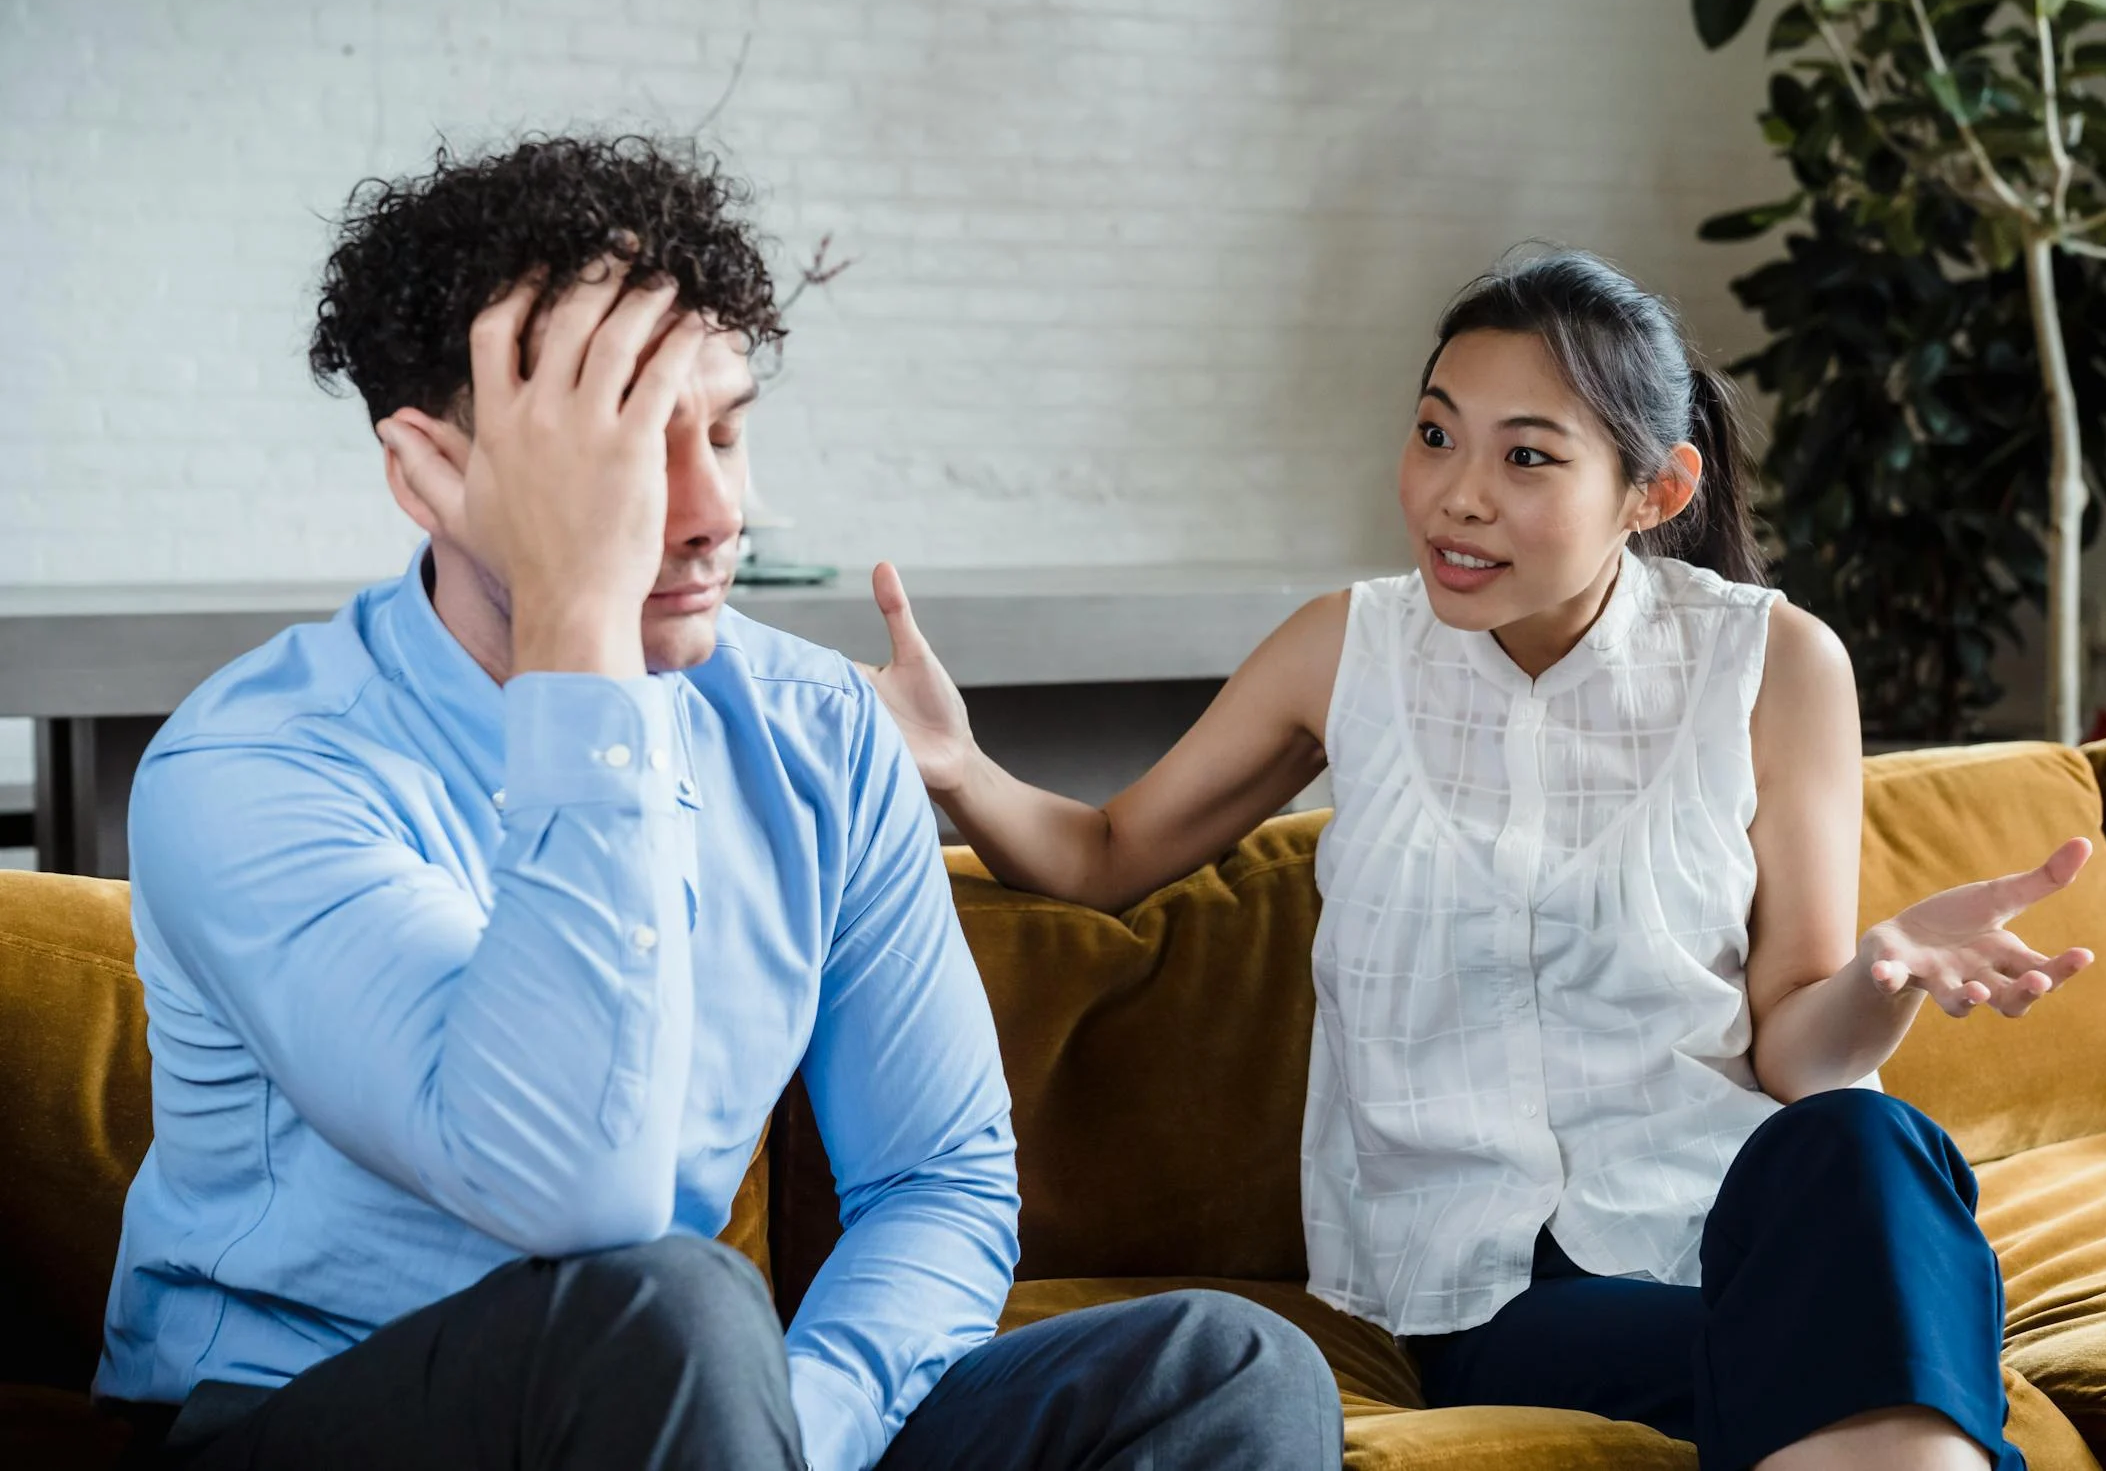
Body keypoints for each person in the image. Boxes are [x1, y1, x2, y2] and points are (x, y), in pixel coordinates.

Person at [96, 135, 1344, 1471]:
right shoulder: (254, 770)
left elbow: (937, 1181)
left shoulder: (815, 737)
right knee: (669, 1306)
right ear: (427, 475)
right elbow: (574, 1196)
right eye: (627, 450)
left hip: (701, 1426)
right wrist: (579, 629)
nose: (709, 512)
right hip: (300, 1418)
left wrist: (789, 1429)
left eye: (729, 431)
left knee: (1226, 1373)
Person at [857, 248, 2097, 1471]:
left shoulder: (1773, 663)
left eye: (1527, 458)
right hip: (1486, 1293)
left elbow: (1792, 1049)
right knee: (1883, 1382)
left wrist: (1879, 973)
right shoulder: (1347, 649)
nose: (1457, 494)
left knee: (1866, 1146)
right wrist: (959, 767)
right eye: (1437, 435)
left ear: (1656, 491)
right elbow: (1108, 852)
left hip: (1731, 1226)